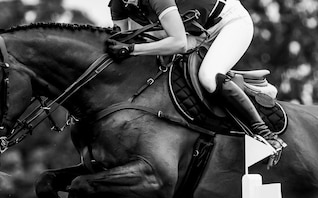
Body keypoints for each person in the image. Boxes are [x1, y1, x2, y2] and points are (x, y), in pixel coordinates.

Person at [106, 0, 286, 164]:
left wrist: (132, 49)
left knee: (208, 77)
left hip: (228, 23)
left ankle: (265, 133)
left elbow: (178, 43)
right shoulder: (118, 3)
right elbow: (123, 40)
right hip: (194, 32)